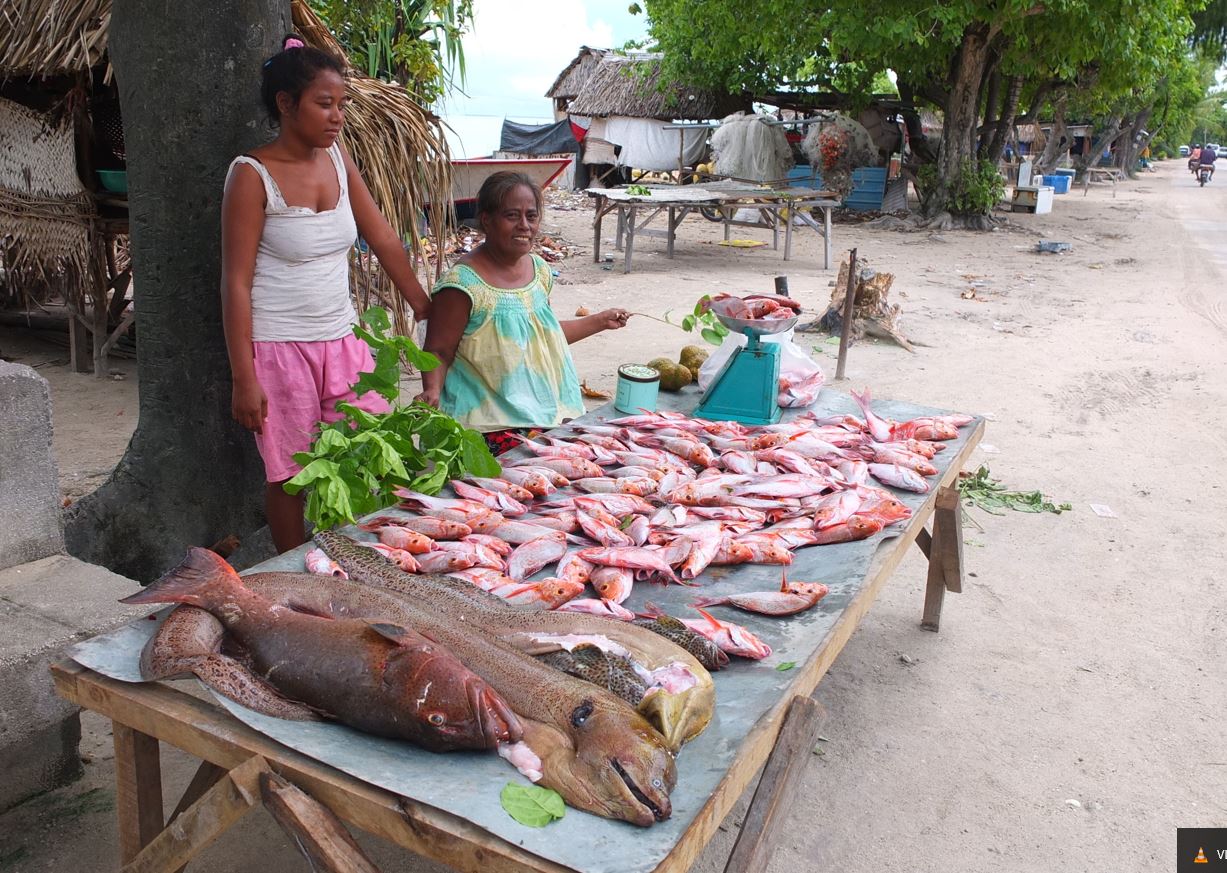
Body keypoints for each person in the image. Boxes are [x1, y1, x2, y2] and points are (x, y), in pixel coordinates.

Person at [221, 35, 432, 553]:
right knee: (289, 475)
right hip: (278, 352)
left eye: (342, 104)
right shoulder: (251, 175)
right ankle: (293, 569)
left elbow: (382, 235)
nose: (337, 116)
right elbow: (235, 281)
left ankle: (364, 557)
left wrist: (423, 304)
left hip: (343, 342)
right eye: (324, 103)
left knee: (371, 448)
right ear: (286, 104)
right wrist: (243, 378)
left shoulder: (338, 160)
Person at [416, 172, 628, 454]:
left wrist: (601, 320)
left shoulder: (539, 270)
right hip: (489, 425)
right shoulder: (463, 286)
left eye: (532, 216)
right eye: (512, 216)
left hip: (548, 415)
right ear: (487, 220)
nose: (525, 226)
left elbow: (543, 337)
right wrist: (431, 389)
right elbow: (438, 352)